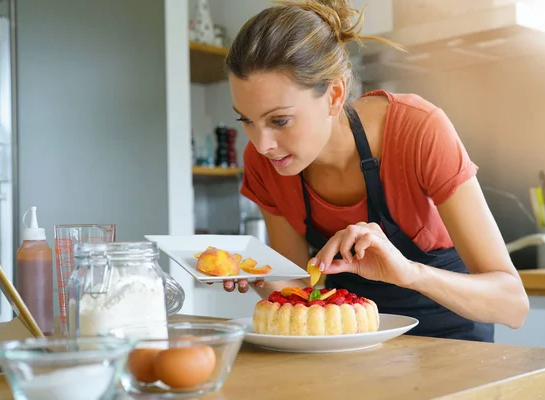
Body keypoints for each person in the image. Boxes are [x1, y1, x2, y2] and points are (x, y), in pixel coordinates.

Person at [219, 0, 529, 342]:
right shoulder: (265, 162)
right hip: (348, 342)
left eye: (280, 120)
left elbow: (512, 305)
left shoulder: (418, 130)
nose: (262, 144)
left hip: (451, 341)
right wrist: (260, 276)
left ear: (334, 95)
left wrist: (408, 273)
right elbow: (301, 291)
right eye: (246, 119)